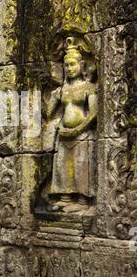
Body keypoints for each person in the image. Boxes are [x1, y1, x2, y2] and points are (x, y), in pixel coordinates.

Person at [47, 41, 98, 212]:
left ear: (81, 65)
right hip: (64, 134)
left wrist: (79, 129)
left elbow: (93, 113)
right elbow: (49, 113)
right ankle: (65, 198)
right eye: (66, 65)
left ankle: (83, 202)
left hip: (82, 134)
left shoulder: (88, 87)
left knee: (80, 168)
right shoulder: (62, 90)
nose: (69, 68)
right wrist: (52, 97)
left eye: (73, 64)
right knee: (62, 167)